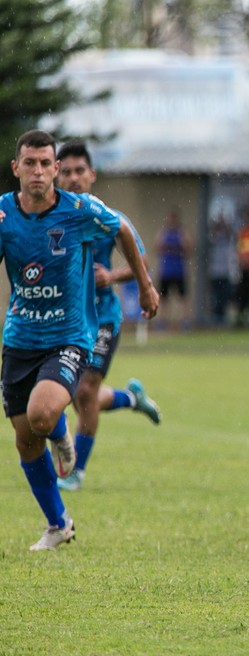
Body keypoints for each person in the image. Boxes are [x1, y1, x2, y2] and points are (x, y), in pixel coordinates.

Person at [1, 129, 158, 550]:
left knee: (44, 411)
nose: (38, 171)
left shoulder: (80, 210)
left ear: (54, 170)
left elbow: (124, 230)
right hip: (19, 337)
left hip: (70, 335)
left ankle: (65, 438)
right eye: (29, 163)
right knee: (24, 438)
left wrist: (143, 288)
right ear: (16, 168)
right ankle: (58, 524)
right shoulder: (3, 215)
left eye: (44, 164)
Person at [53, 140, 163, 492]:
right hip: (65, 318)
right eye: (66, 172)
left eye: (79, 171)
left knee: (85, 390)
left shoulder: (108, 217)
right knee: (72, 395)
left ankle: (76, 472)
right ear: (57, 175)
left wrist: (111, 277)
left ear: (92, 175)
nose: (73, 178)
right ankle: (132, 399)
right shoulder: (50, 220)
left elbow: (142, 265)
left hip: (102, 317)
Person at [154, 208, 193, 330]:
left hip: (179, 271)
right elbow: (157, 246)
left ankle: (185, 322)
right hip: (166, 271)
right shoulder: (163, 233)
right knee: (164, 299)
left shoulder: (182, 233)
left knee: (183, 298)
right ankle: (162, 322)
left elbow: (189, 247)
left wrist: (180, 245)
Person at [207, 211, 239, 325]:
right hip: (215, 272)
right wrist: (217, 224)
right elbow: (210, 235)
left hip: (226, 272)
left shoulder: (229, 238)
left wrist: (225, 223)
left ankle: (225, 318)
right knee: (215, 297)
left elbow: (233, 233)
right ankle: (216, 319)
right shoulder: (214, 238)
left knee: (226, 296)